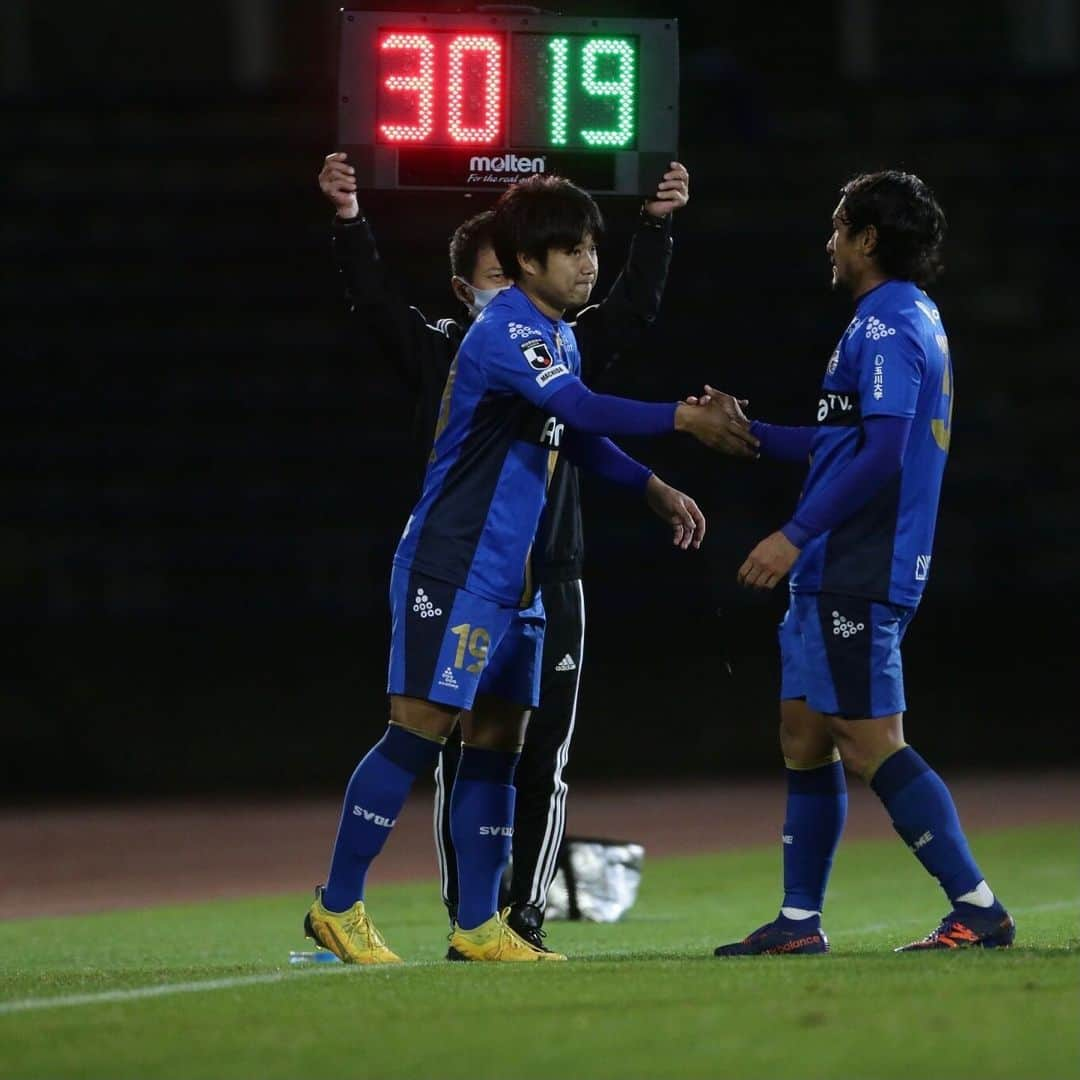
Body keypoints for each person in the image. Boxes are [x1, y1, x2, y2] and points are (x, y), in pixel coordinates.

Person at [303, 174, 757, 963]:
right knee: (415, 736)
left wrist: (648, 485)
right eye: (571, 250)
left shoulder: (560, 334)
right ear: (524, 259)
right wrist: (681, 419)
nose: (588, 264)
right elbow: (578, 409)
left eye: (591, 247)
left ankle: (480, 925)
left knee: (500, 744)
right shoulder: (506, 331)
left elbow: (572, 434)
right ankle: (336, 905)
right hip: (455, 567)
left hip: (518, 580)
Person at [705, 170, 1014, 955]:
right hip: (839, 561)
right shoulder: (894, 319)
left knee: (869, 739)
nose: (831, 242)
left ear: (869, 239)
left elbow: (883, 455)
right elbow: (847, 440)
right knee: (804, 734)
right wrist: (755, 436)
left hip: (859, 561)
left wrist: (795, 533)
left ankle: (977, 906)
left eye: (841, 227)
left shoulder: (888, 326)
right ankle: (800, 923)